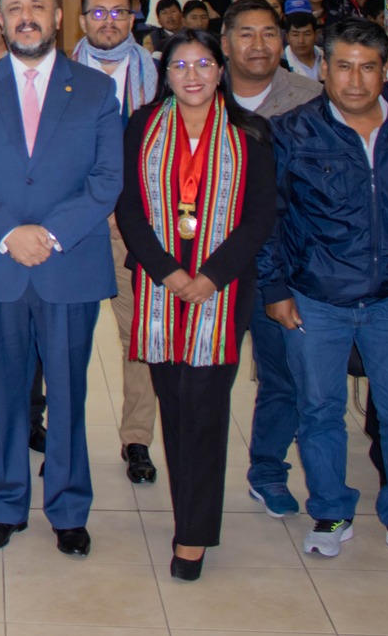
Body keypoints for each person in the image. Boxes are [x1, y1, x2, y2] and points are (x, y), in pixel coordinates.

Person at [0, 0, 122, 555]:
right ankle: (5, 503)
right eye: (14, 7)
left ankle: (68, 508)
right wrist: (7, 233)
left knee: (68, 394)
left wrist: (48, 235)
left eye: (37, 7)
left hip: (67, 263)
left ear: (58, 17)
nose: (25, 17)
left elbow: (106, 179)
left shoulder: (96, 90)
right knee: (5, 393)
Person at [261, 18, 388, 567]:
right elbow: (268, 217)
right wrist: (275, 287)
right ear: (324, 69)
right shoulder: (292, 131)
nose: (355, 80)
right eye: (343, 66)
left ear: (385, 72)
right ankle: (331, 510)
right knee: (319, 411)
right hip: (316, 296)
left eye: (368, 67)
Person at [114, 30, 278, 580]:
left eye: (203, 64)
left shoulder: (251, 132)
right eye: (180, 65)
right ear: (165, 74)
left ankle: (193, 534)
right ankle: (189, 513)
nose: (192, 75)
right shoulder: (142, 126)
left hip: (222, 291)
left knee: (205, 407)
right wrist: (168, 271)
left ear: (220, 69)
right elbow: (128, 207)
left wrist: (210, 277)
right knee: (174, 404)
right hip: (160, 285)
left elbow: (260, 215)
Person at [219, 0, 322, 517]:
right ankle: (199, 472)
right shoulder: (198, 90)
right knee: (205, 376)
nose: (258, 45)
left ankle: (267, 470)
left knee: (282, 373)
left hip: (282, 263)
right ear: (225, 43)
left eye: (268, 34)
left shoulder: (311, 98)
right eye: (246, 34)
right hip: (212, 264)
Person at [70, 0, 161, 488]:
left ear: (133, 18)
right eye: (99, 13)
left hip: (135, 226)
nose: (109, 21)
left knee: (137, 337)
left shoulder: (160, 77)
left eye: (119, 13)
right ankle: (62, 437)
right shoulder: (55, 76)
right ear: (82, 20)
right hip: (73, 226)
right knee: (65, 339)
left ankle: (137, 438)